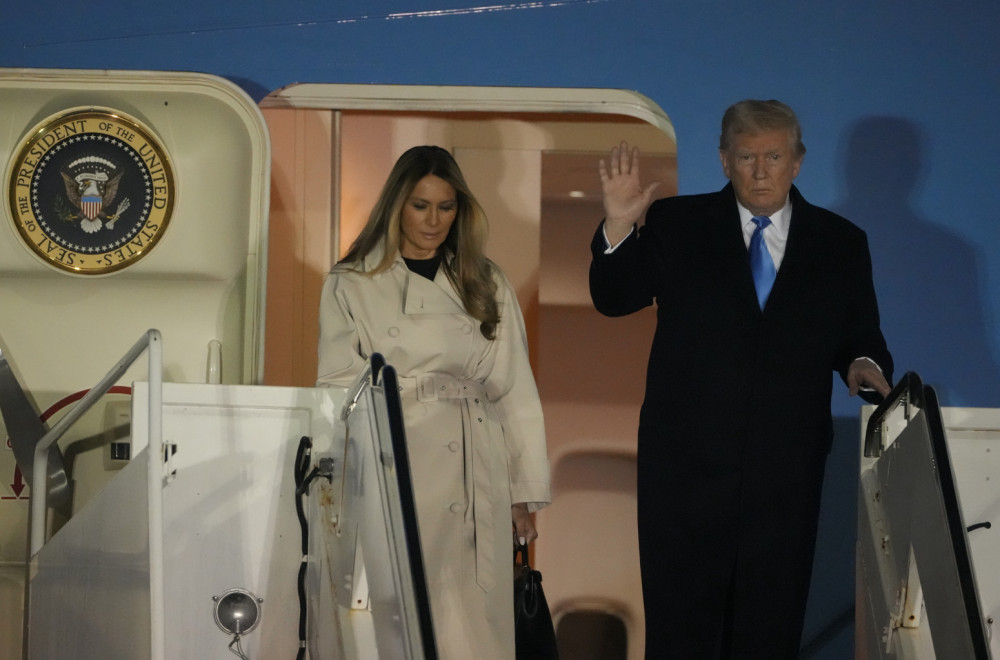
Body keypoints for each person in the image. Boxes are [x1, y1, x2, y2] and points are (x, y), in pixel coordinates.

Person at [589, 100, 893, 658]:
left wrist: (862, 362)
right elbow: (614, 298)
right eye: (747, 157)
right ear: (724, 160)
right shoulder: (678, 224)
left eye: (774, 157)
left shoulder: (840, 242)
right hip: (684, 473)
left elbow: (860, 334)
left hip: (785, 474)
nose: (760, 171)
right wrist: (619, 225)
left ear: (797, 162)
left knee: (768, 631)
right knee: (681, 633)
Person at [316, 145, 551, 659]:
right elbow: (336, 389)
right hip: (392, 462)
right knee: (394, 619)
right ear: (396, 205)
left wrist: (522, 492)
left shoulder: (485, 280)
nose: (433, 220)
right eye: (420, 205)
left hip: (474, 467)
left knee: (471, 624)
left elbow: (514, 389)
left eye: (446, 207)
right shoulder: (352, 282)